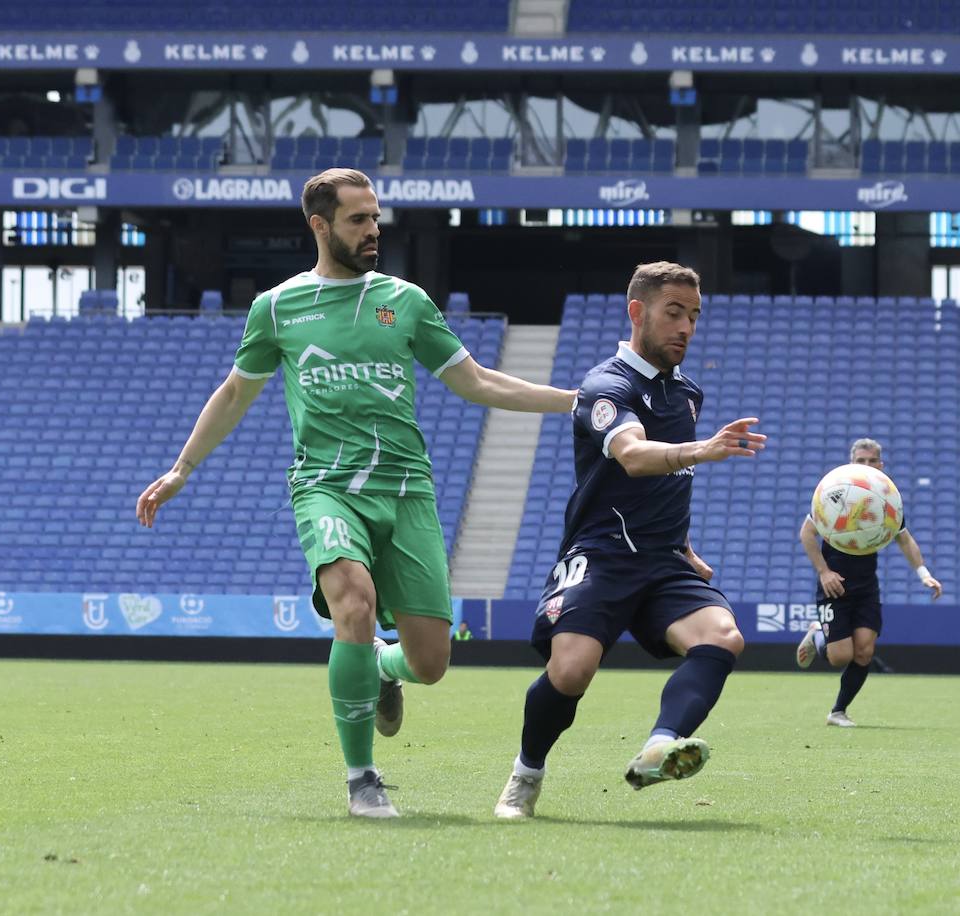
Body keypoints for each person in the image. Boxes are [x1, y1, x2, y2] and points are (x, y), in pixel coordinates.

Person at [136, 168, 575, 819]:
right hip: (326, 487)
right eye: (358, 220)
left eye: (376, 218)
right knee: (353, 601)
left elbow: (477, 382)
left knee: (430, 662)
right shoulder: (279, 307)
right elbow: (234, 393)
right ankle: (361, 778)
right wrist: (183, 467)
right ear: (319, 225)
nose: (373, 231)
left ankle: (382, 669)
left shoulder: (407, 300)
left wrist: (578, 401)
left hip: (407, 492)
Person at [493, 261, 766, 819]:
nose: (686, 327)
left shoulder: (688, 394)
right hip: (601, 554)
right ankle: (526, 775)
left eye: (693, 315)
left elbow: (670, 485)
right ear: (637, 312)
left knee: (722, 636)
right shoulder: (606, 386)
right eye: (673, 313)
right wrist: (702, 450)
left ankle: (659, 746)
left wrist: (684, 545)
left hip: (664, 560)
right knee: (571, 671)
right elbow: (634, 457)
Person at [796, 438, 942, 726]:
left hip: (866, 587)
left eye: (871, 461)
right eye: (860, 461)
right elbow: (806, 534)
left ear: (881, 465)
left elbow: (904, 538)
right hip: (834, 586)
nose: (866, 466)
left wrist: (924, 574)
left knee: (864, 651)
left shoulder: (885, 501)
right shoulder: (834, 496)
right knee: (840, 656)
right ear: (852, 463)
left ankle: (838, 711)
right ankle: (817, 635)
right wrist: (824, 571)